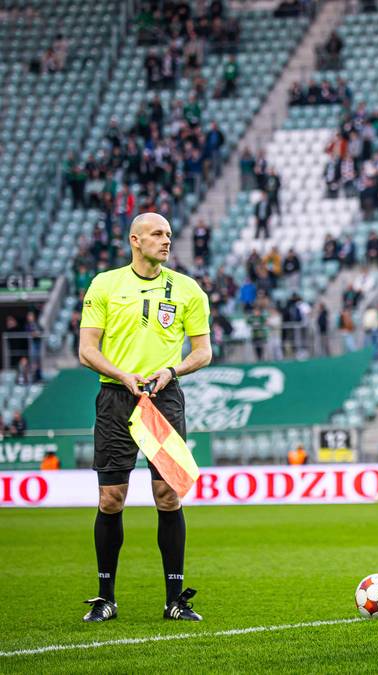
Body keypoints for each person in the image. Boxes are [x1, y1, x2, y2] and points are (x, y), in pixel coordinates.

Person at [78, 212, 212, 623]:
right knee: (111, 499)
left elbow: (203, 351)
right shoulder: (105, 284)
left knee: (167, 496)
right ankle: (105, 598)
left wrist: (172, 371)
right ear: (135, 240)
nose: (166, 240)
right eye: (157, 234)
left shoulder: (188, 290)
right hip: (115, 398)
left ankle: (175, 600)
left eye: (169, 234)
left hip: (163, 400)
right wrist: (122, 374)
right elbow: (87, 350)